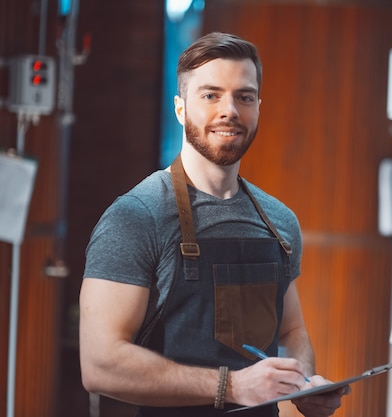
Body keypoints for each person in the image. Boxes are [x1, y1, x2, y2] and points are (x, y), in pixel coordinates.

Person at [79, 32, 349, 417]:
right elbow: (100, 365)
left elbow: (290, 332)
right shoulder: (136, 217)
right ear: (180, 108)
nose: (231, 111)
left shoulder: (278, 222)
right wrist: (235, 386)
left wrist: (303, 383)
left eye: (245, 96)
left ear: (258, 106)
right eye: (211, 95)